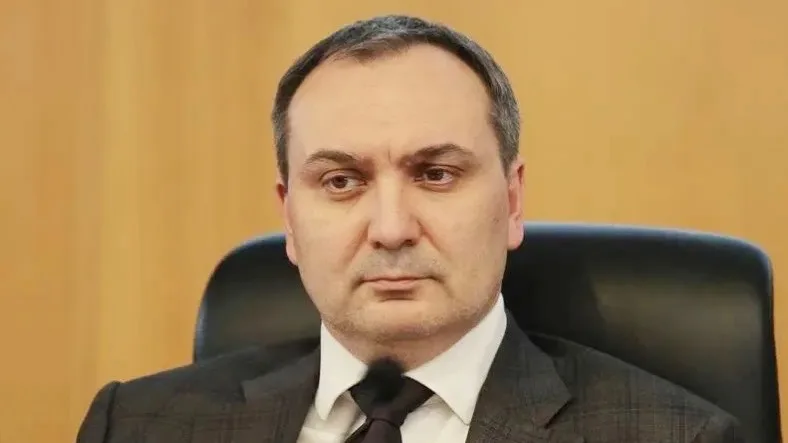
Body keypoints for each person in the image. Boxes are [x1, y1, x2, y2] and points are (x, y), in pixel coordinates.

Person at [76, 14, 744, 443]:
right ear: (289, 218)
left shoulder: (678, 437)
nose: (391, 229)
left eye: (436, 174)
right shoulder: (137, 426)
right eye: (342, 182)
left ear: (512, 202)